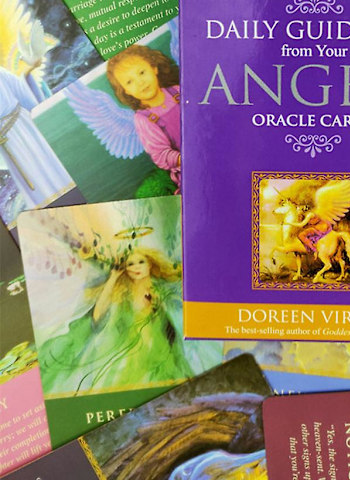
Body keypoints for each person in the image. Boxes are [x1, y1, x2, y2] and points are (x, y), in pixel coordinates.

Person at [38, 247, 215, 395]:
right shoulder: (122, 294)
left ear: (150, 264)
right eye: (130, 264)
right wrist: (113, 277)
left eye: (140, 262)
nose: (136, 267)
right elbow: (98, 316)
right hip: (128, 356)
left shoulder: (162, 290)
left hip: (162, 353)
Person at [107, 45, 181, 192]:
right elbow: (161, 155)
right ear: (126, 91)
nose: (140, 82)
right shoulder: (144, 119)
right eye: (129, 82)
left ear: (154, 68)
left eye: (141, 72)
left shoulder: (178, 91)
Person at [0, 65, 72, 211]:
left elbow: (21, 91)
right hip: (8, 145)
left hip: (23, 128)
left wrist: (28, 73)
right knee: (35, 186)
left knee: (49, 167)